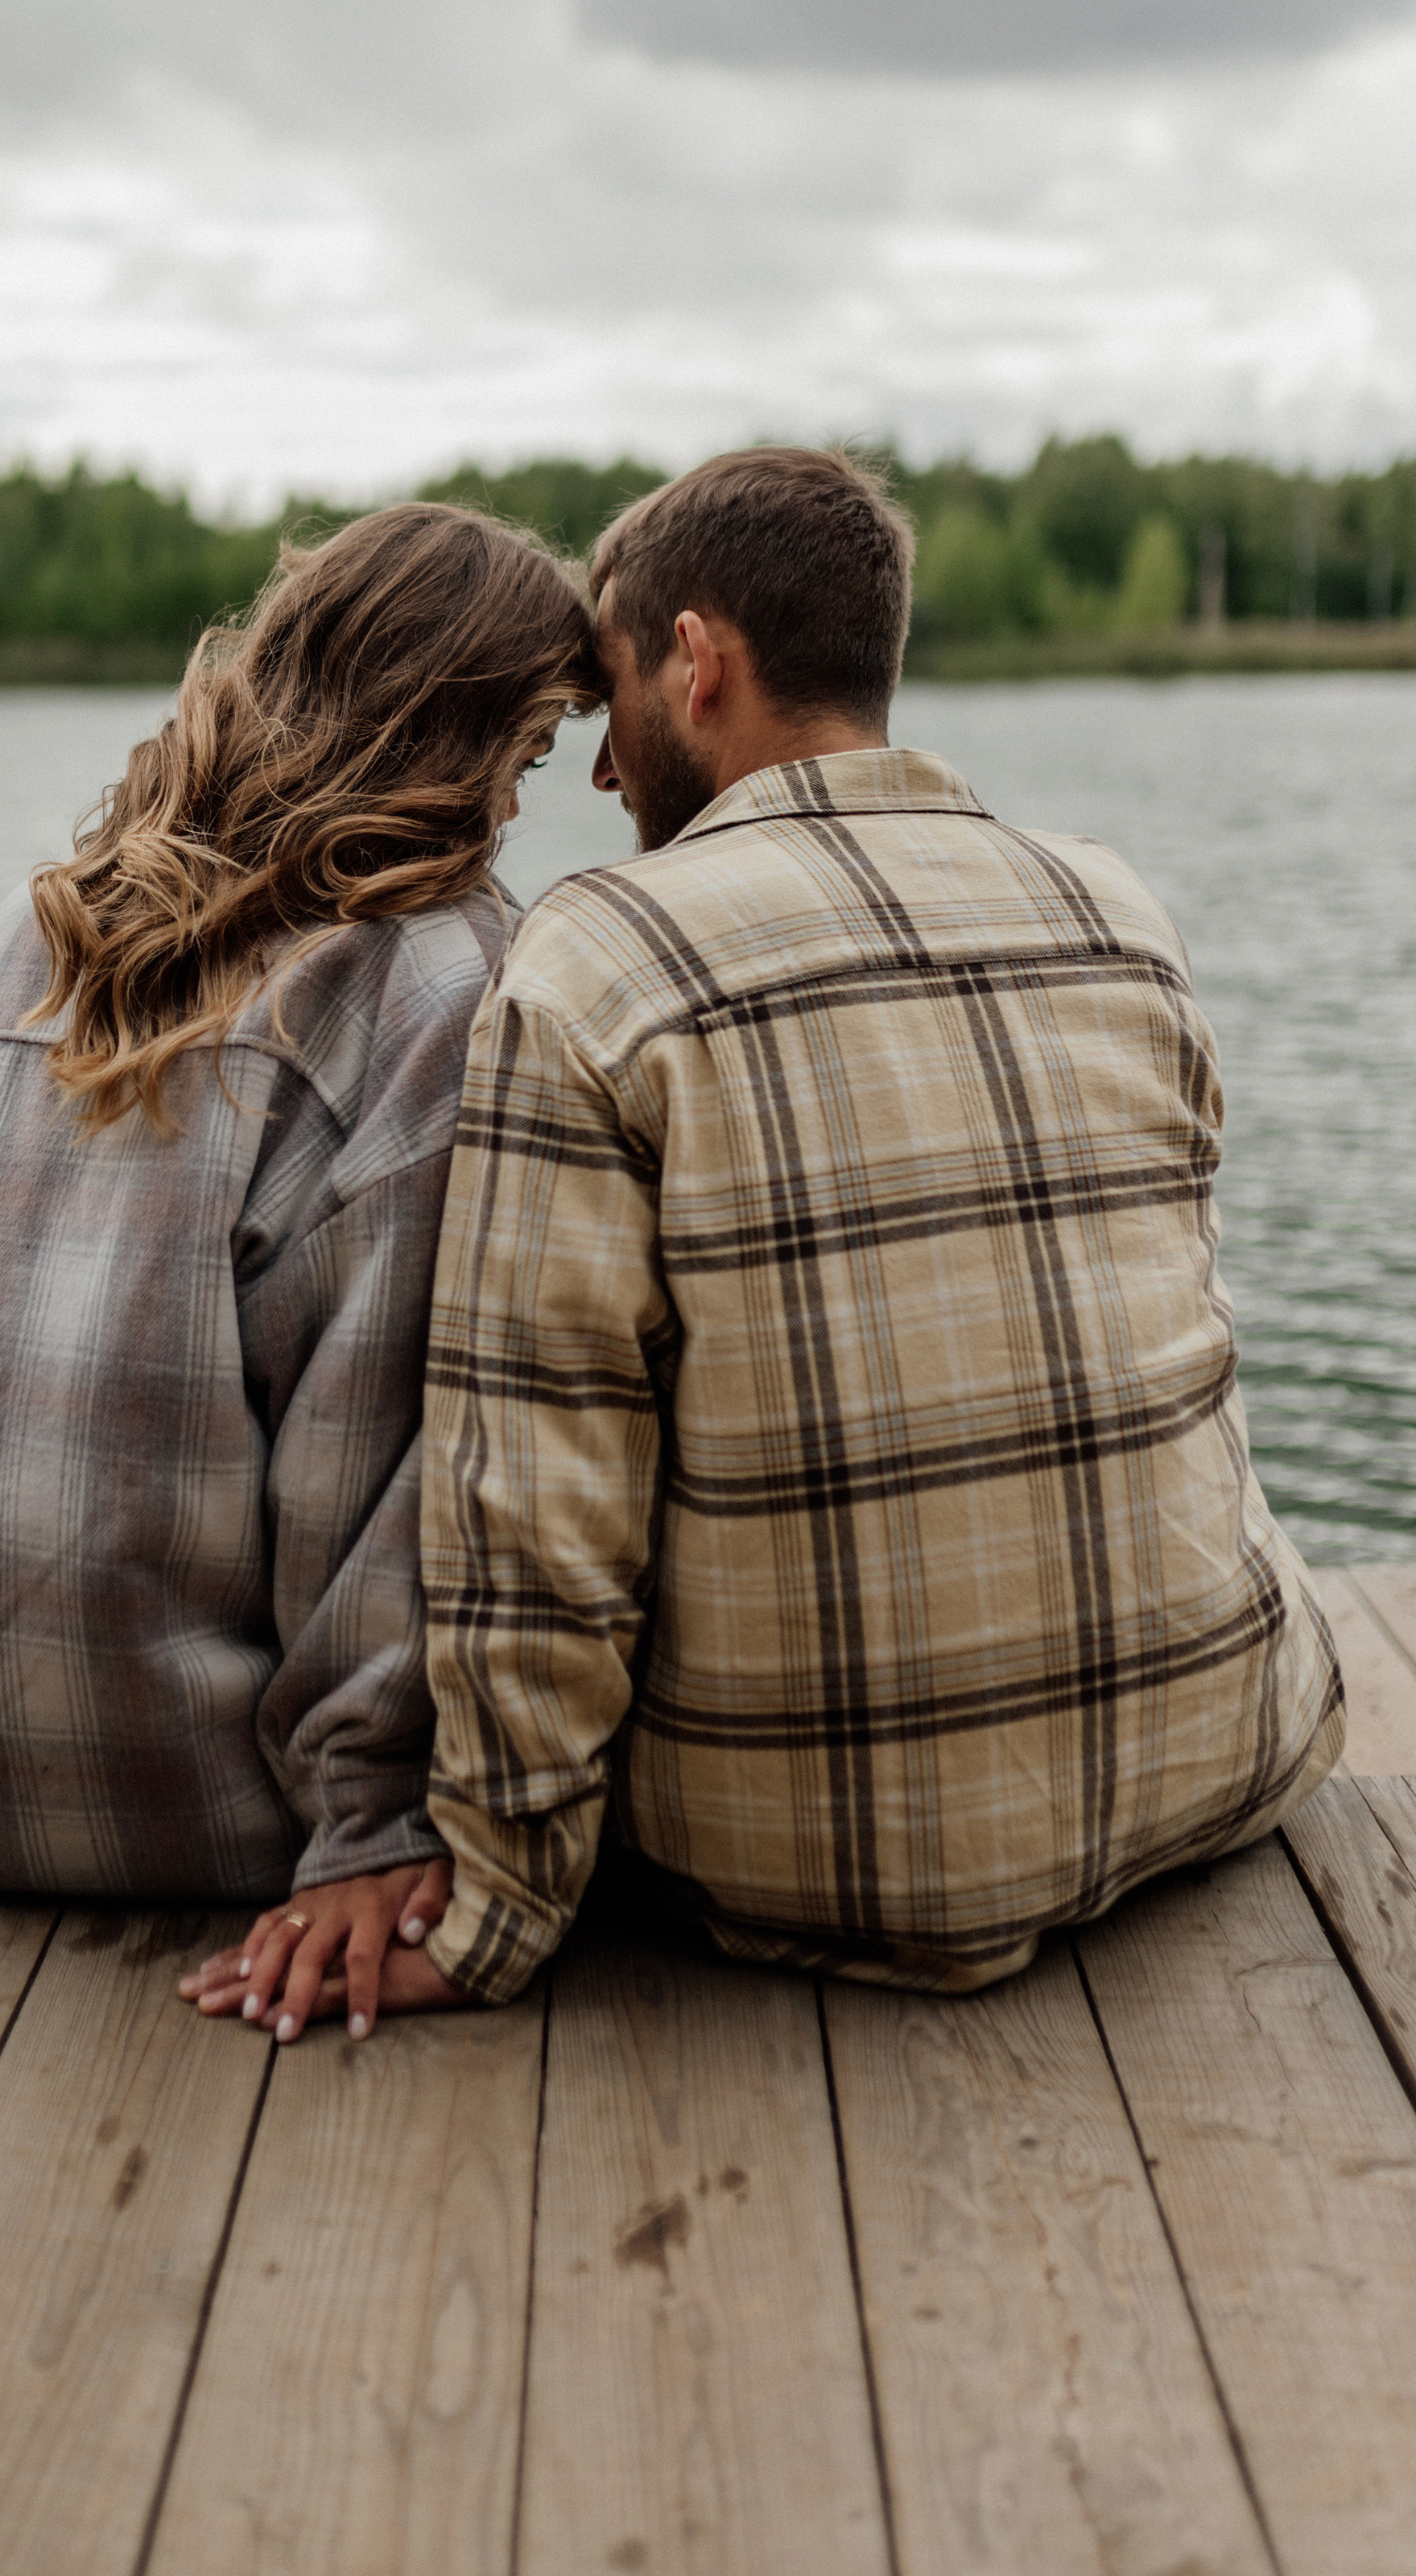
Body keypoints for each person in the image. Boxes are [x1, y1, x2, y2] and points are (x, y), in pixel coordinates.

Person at [188, 445, 1343, 2037]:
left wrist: (495, 1904)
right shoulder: (1111, 906)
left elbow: (537, 1487)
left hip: (824, 1863)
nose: (595, 778)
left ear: (693, 658)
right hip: (1229, 1757)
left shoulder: (603, 950)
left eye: (604, 693)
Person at [0, 500, 597, 2001]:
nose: (522, 807)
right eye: (531, 752)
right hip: (205, 1817)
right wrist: (379, 1824)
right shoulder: (437, 969)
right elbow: (391, 1451)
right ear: (461, 728)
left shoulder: (34, 931)